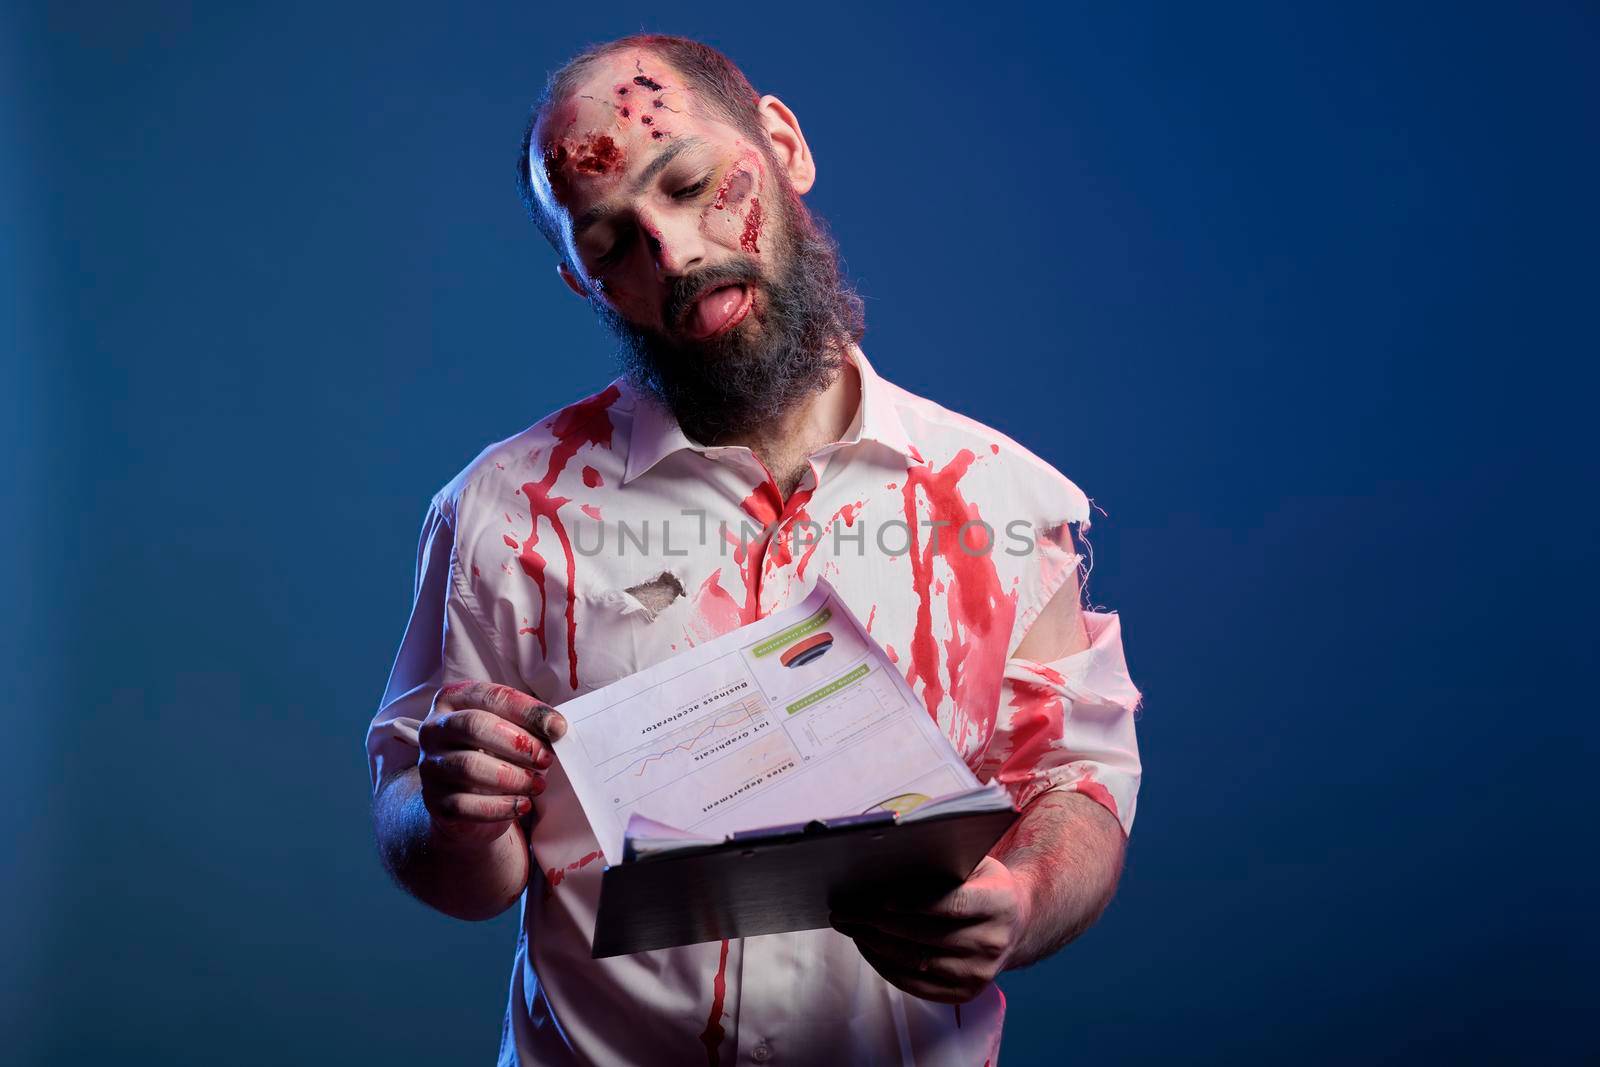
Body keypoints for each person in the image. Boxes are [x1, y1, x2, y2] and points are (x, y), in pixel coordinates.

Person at [366, 33, 1142, 1067]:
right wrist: (447, 810)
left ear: (781, 142)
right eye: (611, 244)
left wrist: (1025, 895)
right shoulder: (504, 510)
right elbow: (451, 863)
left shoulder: (1003, 499)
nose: (674, 253)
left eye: (689, 182)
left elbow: (1075, 781)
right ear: (581, 283)